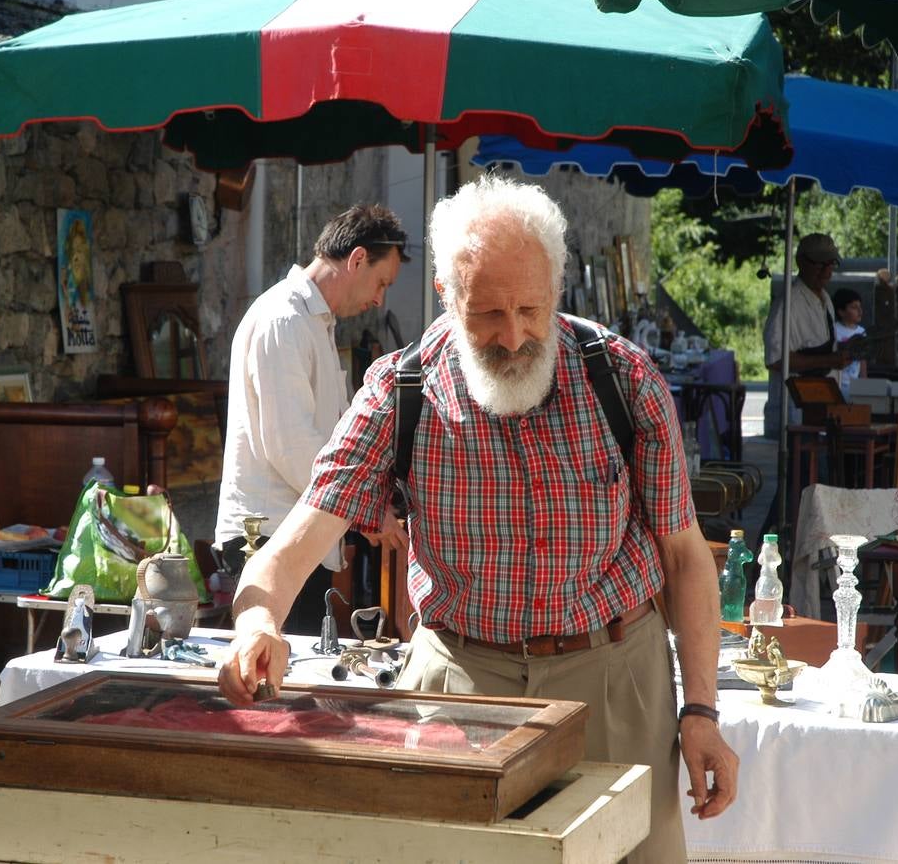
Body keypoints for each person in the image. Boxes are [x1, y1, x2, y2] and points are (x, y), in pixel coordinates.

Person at [218, 177, 738, 863]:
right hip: (460, 688)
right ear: (444, 294)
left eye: (530, 307)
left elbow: (681, 556)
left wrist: (699, 711)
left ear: (556, 287)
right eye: (486, 313)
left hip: (616, 679)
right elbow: (289, 549)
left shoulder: (624, 381)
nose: (513, 335)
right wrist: (256, 624)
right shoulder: (399, 392)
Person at [215, 203, 410, 634]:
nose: (380, 299)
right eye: (381, 282)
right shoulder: (284, 319)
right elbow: (291, 445)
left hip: (295, 531)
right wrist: (365, 510)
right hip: (267, 536)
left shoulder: (312, 322)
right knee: (278, 681)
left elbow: (330, 440)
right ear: (357, 259)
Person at [761, 233, 853, 438]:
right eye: (820, 264)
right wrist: (828, 359)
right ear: (801, 262)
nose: (827, 271)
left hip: (821, 407)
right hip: (794, 412)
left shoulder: (825, 299)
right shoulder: (788, 303)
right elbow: (775, 359)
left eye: (831, 264)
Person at [831, 287, 868, 398]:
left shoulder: (862, 332)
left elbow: (863, 360)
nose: (859, 311)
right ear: (841, 312)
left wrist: (864, 383)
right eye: (854, 307)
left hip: (855, 384)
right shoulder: (834, 330)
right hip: (837, 383)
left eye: (860, 307)